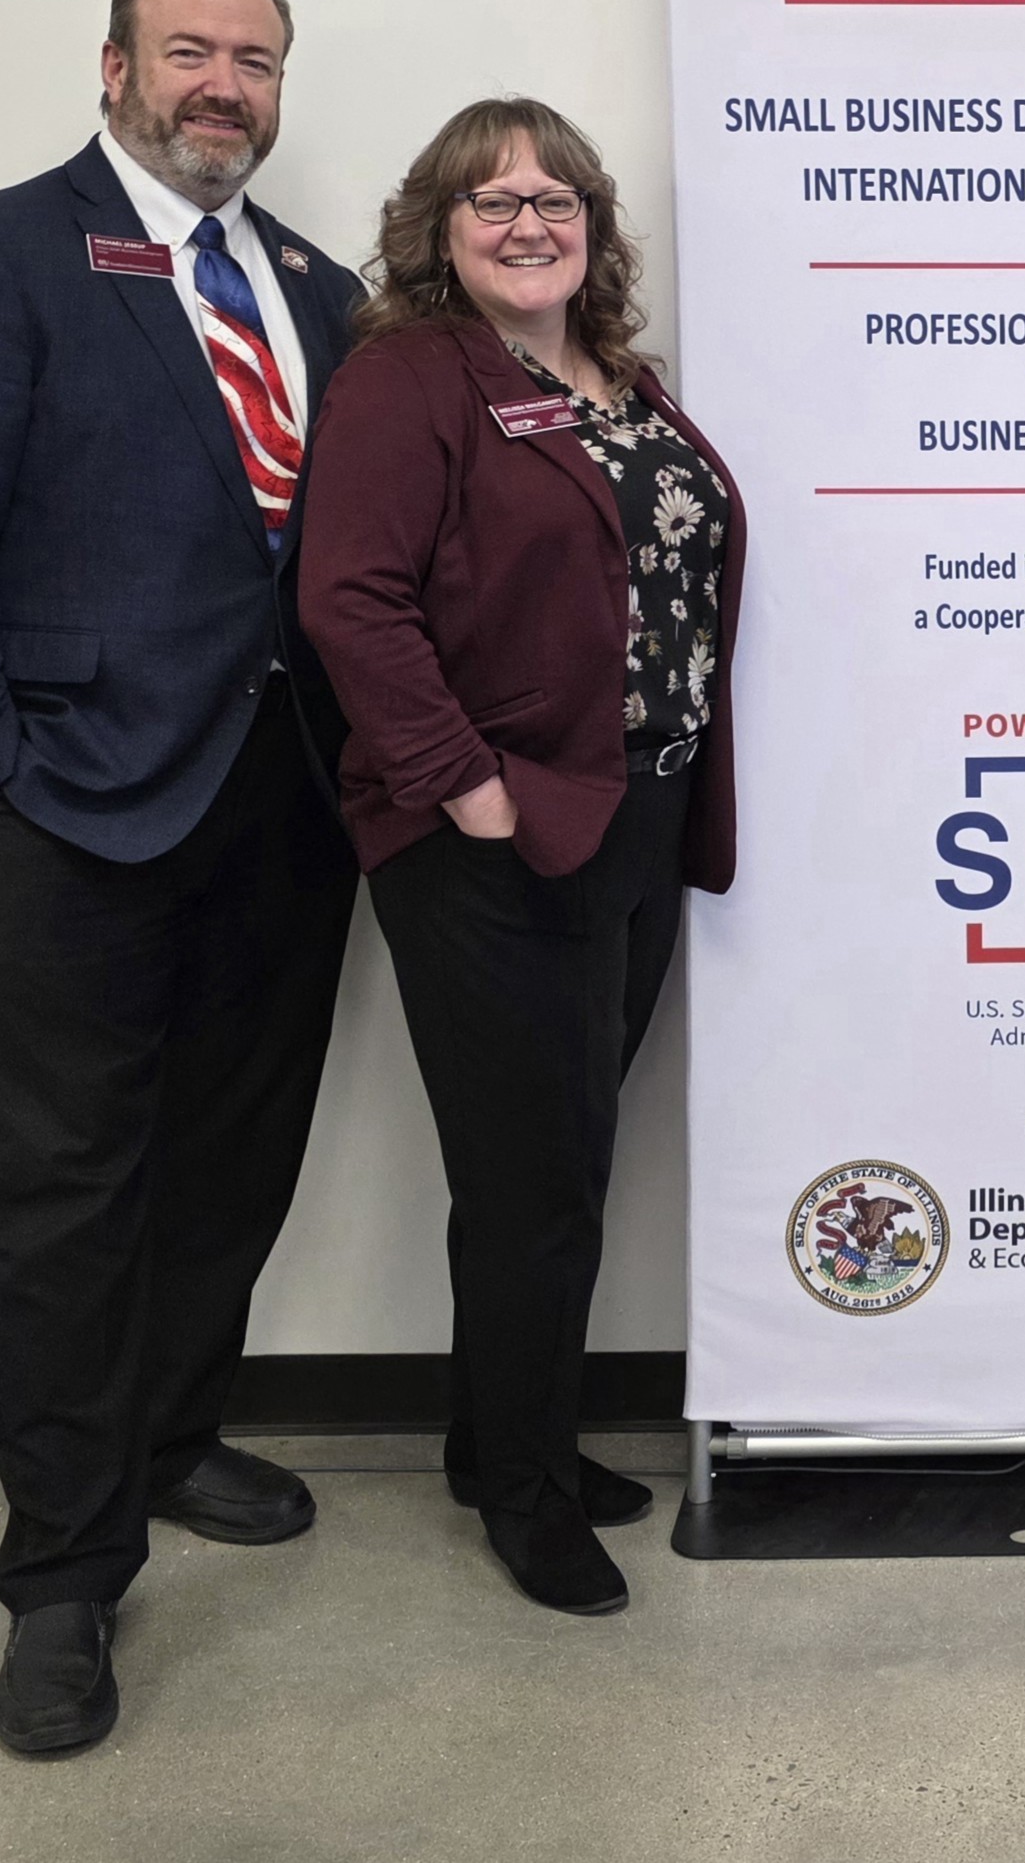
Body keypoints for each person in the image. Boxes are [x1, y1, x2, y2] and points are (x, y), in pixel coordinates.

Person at [0, 0, 364, 1756]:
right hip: (66, 810)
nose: (226, 85)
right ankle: (63, 1575)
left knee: (231, 1160)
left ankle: (169, 1436)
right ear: (116, 63)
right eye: (192, 51)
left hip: (285, 812)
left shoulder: (315, 286)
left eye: (258, 60)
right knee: (62, 1198)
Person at [298, 98, 742, 1618]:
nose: (528, 222)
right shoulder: (407, 380)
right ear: (438, 231)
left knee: (547, 1157)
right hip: (499, 836)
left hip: (639, 812)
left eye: (555, 198)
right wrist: (465, 787)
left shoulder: (618, 379)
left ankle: (497, 1441)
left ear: (594, 228)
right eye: (490, 202)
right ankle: (532, 1497)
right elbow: (349, 602)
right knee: (537, 1175)